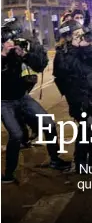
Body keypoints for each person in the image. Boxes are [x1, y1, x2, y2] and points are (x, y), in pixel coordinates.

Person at [2, 20, 70, 183]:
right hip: (4, 102)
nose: (13, 43)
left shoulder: (16, 53)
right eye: (9, 41)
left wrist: (25, 54)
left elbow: (39, 66)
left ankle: (55, 159)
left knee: (49, 123)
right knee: (16, 135)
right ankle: (8, 173)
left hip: (22, 97)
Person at [53, 20, 92, 173]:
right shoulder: (62, 54)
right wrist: (76, 49)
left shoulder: (86, 48)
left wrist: (86, 47)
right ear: (68, 37)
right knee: (85, 130)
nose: (80, 36)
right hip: (78, 99)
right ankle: (80, 162)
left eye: (81, 33)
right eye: (76, 34)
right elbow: (67, 71)